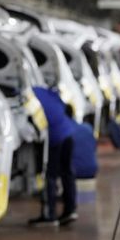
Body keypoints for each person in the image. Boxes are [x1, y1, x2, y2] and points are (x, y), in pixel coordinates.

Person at [31, 85, 78, 226]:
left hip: (55, 135)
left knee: (49, 174)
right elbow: (64, 106)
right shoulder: (42, 90)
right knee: (67, 171)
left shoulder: (29, 96)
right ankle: (70, 210)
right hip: (67, 131)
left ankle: (49, 215)